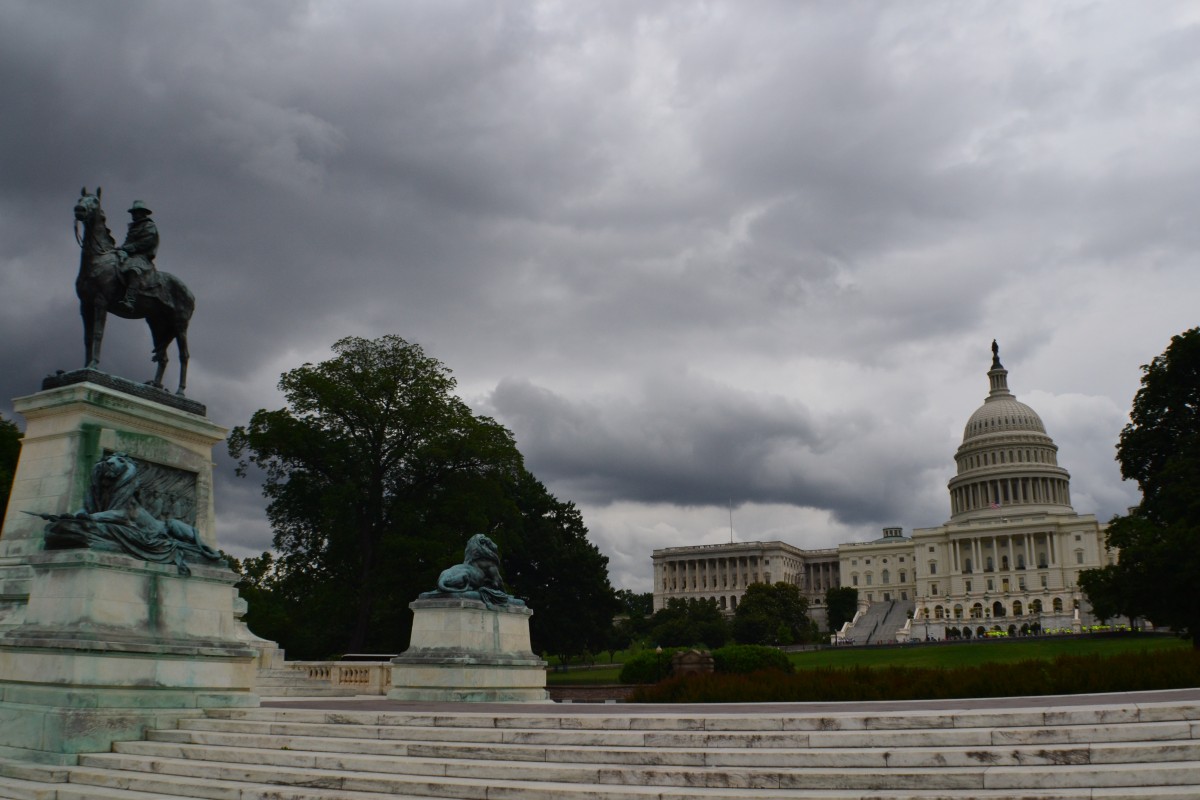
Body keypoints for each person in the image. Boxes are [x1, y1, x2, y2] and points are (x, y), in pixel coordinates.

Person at [116, 200, 158, 312]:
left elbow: (146, 242)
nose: (133, 215)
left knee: (134, 270)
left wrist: (127, 248)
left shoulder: (149, 226)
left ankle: (130, 300)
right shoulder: (133, 227)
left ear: (142, 213)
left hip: (142, 257)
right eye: (132, 213)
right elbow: (127, 242)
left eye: (135, 212)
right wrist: (121, 249)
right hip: (130, 255)